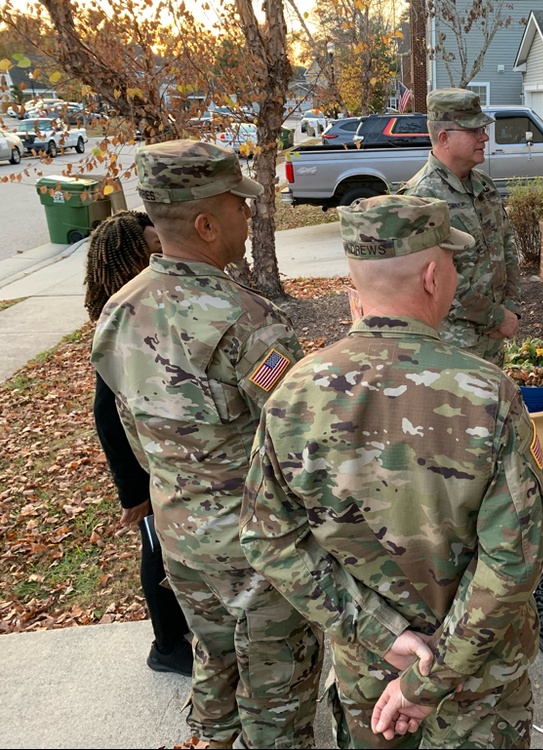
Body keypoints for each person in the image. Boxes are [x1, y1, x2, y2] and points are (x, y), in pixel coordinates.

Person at [240, 194, 543, 749]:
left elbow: (269, 539)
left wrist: (380, 634)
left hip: (369, 672)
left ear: (354, 285)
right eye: (451, 262)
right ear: (433, 276)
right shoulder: (487, 393)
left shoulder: (293, 394)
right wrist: (433, 678)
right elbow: (511, 561)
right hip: (477, 682)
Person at [90, 140, 321, 749]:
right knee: (277, 685)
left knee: (213, 660)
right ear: (205, 222)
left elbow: (133, 432)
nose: (249, 215)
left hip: (179, 535)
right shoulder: (244, 319)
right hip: (255, 549)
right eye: (239, 206)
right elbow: (299, 445)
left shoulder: (118, 312)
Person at [85, 210, 192, 677]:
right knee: (156, 547)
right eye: (152, 250)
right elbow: (105, 413)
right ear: (130, 257)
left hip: (165, 452)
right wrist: (133, 492)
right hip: (146, 465)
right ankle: (167, 645)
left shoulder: (147, 308)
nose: (161, 255)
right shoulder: (122, 319)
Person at [401, 87, 521, 365]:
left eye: (483, 128)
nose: (485, 136)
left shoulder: (484, 184)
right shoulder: (421, 199)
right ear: (444, 137)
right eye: (474, 130)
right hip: (454, 347)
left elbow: (507, 248)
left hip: (493, 339)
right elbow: (436, 279)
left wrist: (511, 309)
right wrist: (497, 317)